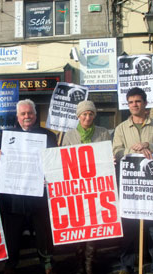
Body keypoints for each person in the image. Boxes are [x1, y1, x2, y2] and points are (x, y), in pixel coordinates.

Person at [0, 99, 57, 274]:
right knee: (12, 235)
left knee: (43, 234)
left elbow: (54, 162)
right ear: (17, 116)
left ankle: (46, 261)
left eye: (30, 113)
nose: (27, 116)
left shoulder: (48, 135)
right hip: (13, 198)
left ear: (35, 115)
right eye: (23, 114)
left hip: (39, 197)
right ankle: (11, 263)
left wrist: (49, 176)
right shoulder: (5, 136)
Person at [62, 100, 111, 274]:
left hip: (96, 188)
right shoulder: (69, 135)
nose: (87, 117)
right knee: (78, 225)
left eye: (91, 114)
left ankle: (89, 263)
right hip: (76, 189)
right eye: (84, 114)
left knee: (94, 225)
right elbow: (63, 162)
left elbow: (108, 155)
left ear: (94, 115)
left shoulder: (103, 133)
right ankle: (79, 261)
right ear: (78, 116)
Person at [113, 87, 153, 274]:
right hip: (130, 185)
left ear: (145, 103)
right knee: (129, 225)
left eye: (138, 101)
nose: (134, 105)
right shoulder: (121, 128)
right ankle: (126, 265)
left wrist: (149, 145)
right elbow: (116, 152)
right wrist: (133, 150)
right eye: (130, 102)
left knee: (151, 226)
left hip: (150, 185)